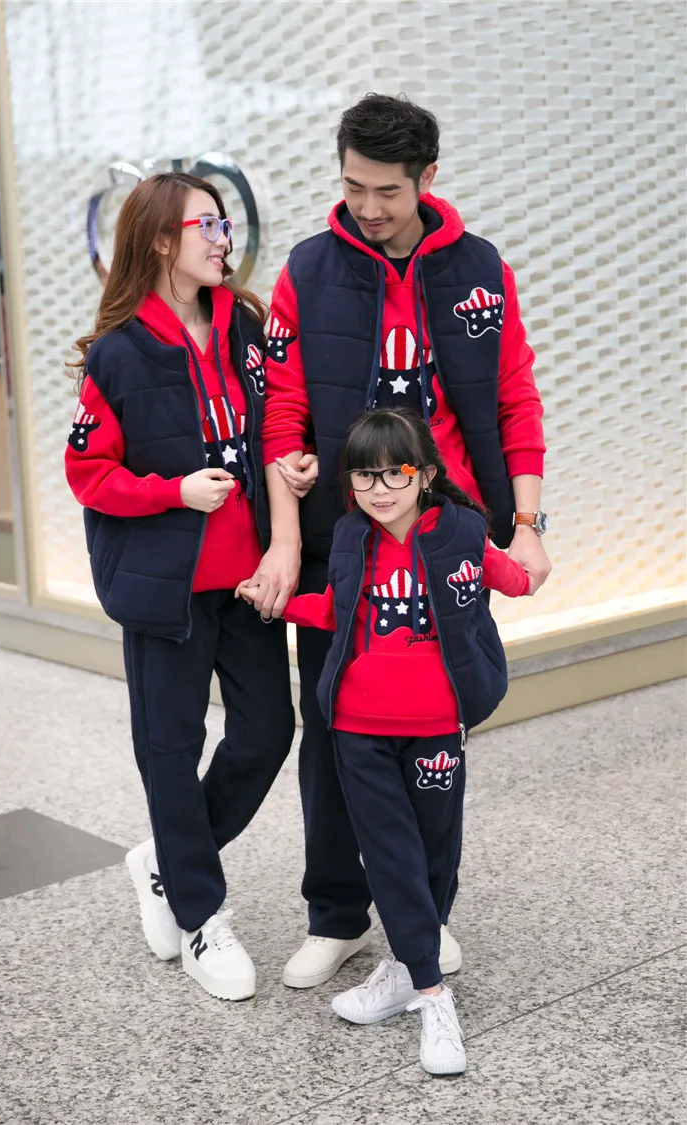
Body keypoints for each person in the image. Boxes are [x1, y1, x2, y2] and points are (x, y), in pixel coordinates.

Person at [248, 93, 551, 989]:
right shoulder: (310, 267)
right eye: (351, 186)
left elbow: (515, 402)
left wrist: (526, 526)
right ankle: (338, 914)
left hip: (448, 538)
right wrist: (283, 540)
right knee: (336, 730)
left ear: (428, 177)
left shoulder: (479, 270)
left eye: (385, 190)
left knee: (434, 740)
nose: (366, 207)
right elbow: (285, 410)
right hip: (343, 544)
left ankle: (423, 911)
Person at [239, 408, 530, 1074]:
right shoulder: (348, 538)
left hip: (435, 727)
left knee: (435, 854)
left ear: (425, 474)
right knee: (390, 851)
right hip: (359, 728)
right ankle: (433, 997)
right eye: (365, 474)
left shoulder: (460, 533)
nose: (379, 487)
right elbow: (337, 611)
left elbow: (513, 578)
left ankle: (404, 968)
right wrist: (279, 601)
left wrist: (526, 555)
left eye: (395, 471)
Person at [64, 172, 295, 1002]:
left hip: (247, 581)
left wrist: (289, 472)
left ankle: (164, 856)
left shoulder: (250, 329)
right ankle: (200, 917)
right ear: (163, 240)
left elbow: (281, 419)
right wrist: (171, 490)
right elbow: (86, 470)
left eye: (224, 222)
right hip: (165, 589)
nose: (221, 237)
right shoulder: (123, 351)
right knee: (170, 748)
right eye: (206, 223)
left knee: (268, 730)